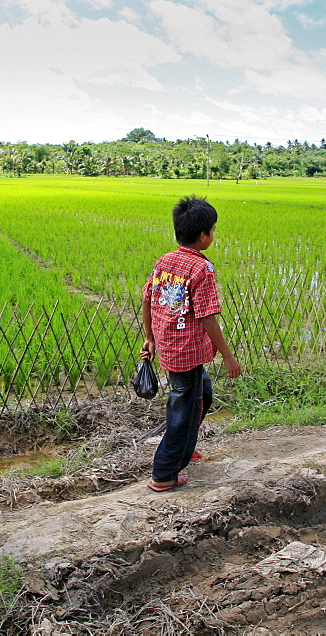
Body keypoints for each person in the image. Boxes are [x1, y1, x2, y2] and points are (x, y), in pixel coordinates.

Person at [140, 195, 242, 492]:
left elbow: (148, 300)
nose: (213, 235)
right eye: (213, 230)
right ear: (203, 236)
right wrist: (228, 356)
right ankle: (164, 473)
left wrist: (150, 337)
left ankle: (187, 446)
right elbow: (208, 317)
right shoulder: (202, 269)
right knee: (182, 411)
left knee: (203, 394)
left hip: (174, 347)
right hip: (185, 352)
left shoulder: (165, 261)